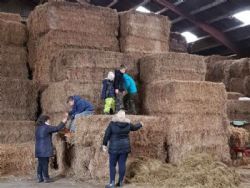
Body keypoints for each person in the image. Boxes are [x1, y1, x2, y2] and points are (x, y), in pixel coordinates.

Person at [102, 110, 143, 188]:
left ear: (117, 116)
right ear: (124, 117)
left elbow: (107, 134)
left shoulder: (112, 124)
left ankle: (112, 183)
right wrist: (140, 124)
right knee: (122, 164)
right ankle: (120, 182)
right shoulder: (128, 124)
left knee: (112, 165)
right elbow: (134, 127)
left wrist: (104, 144)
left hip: (114, 148)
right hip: (125, 148)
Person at [35, 115, 67, 183]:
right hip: (44, 149)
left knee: (40, 163)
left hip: (38, 149)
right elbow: (57, 128)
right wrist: (63, 121)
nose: (50, 121)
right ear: (46, 120)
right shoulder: (46, 127)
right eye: (49, 120)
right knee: (45, 163)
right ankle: (46, 178)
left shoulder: (38, 128)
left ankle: (39, 178)